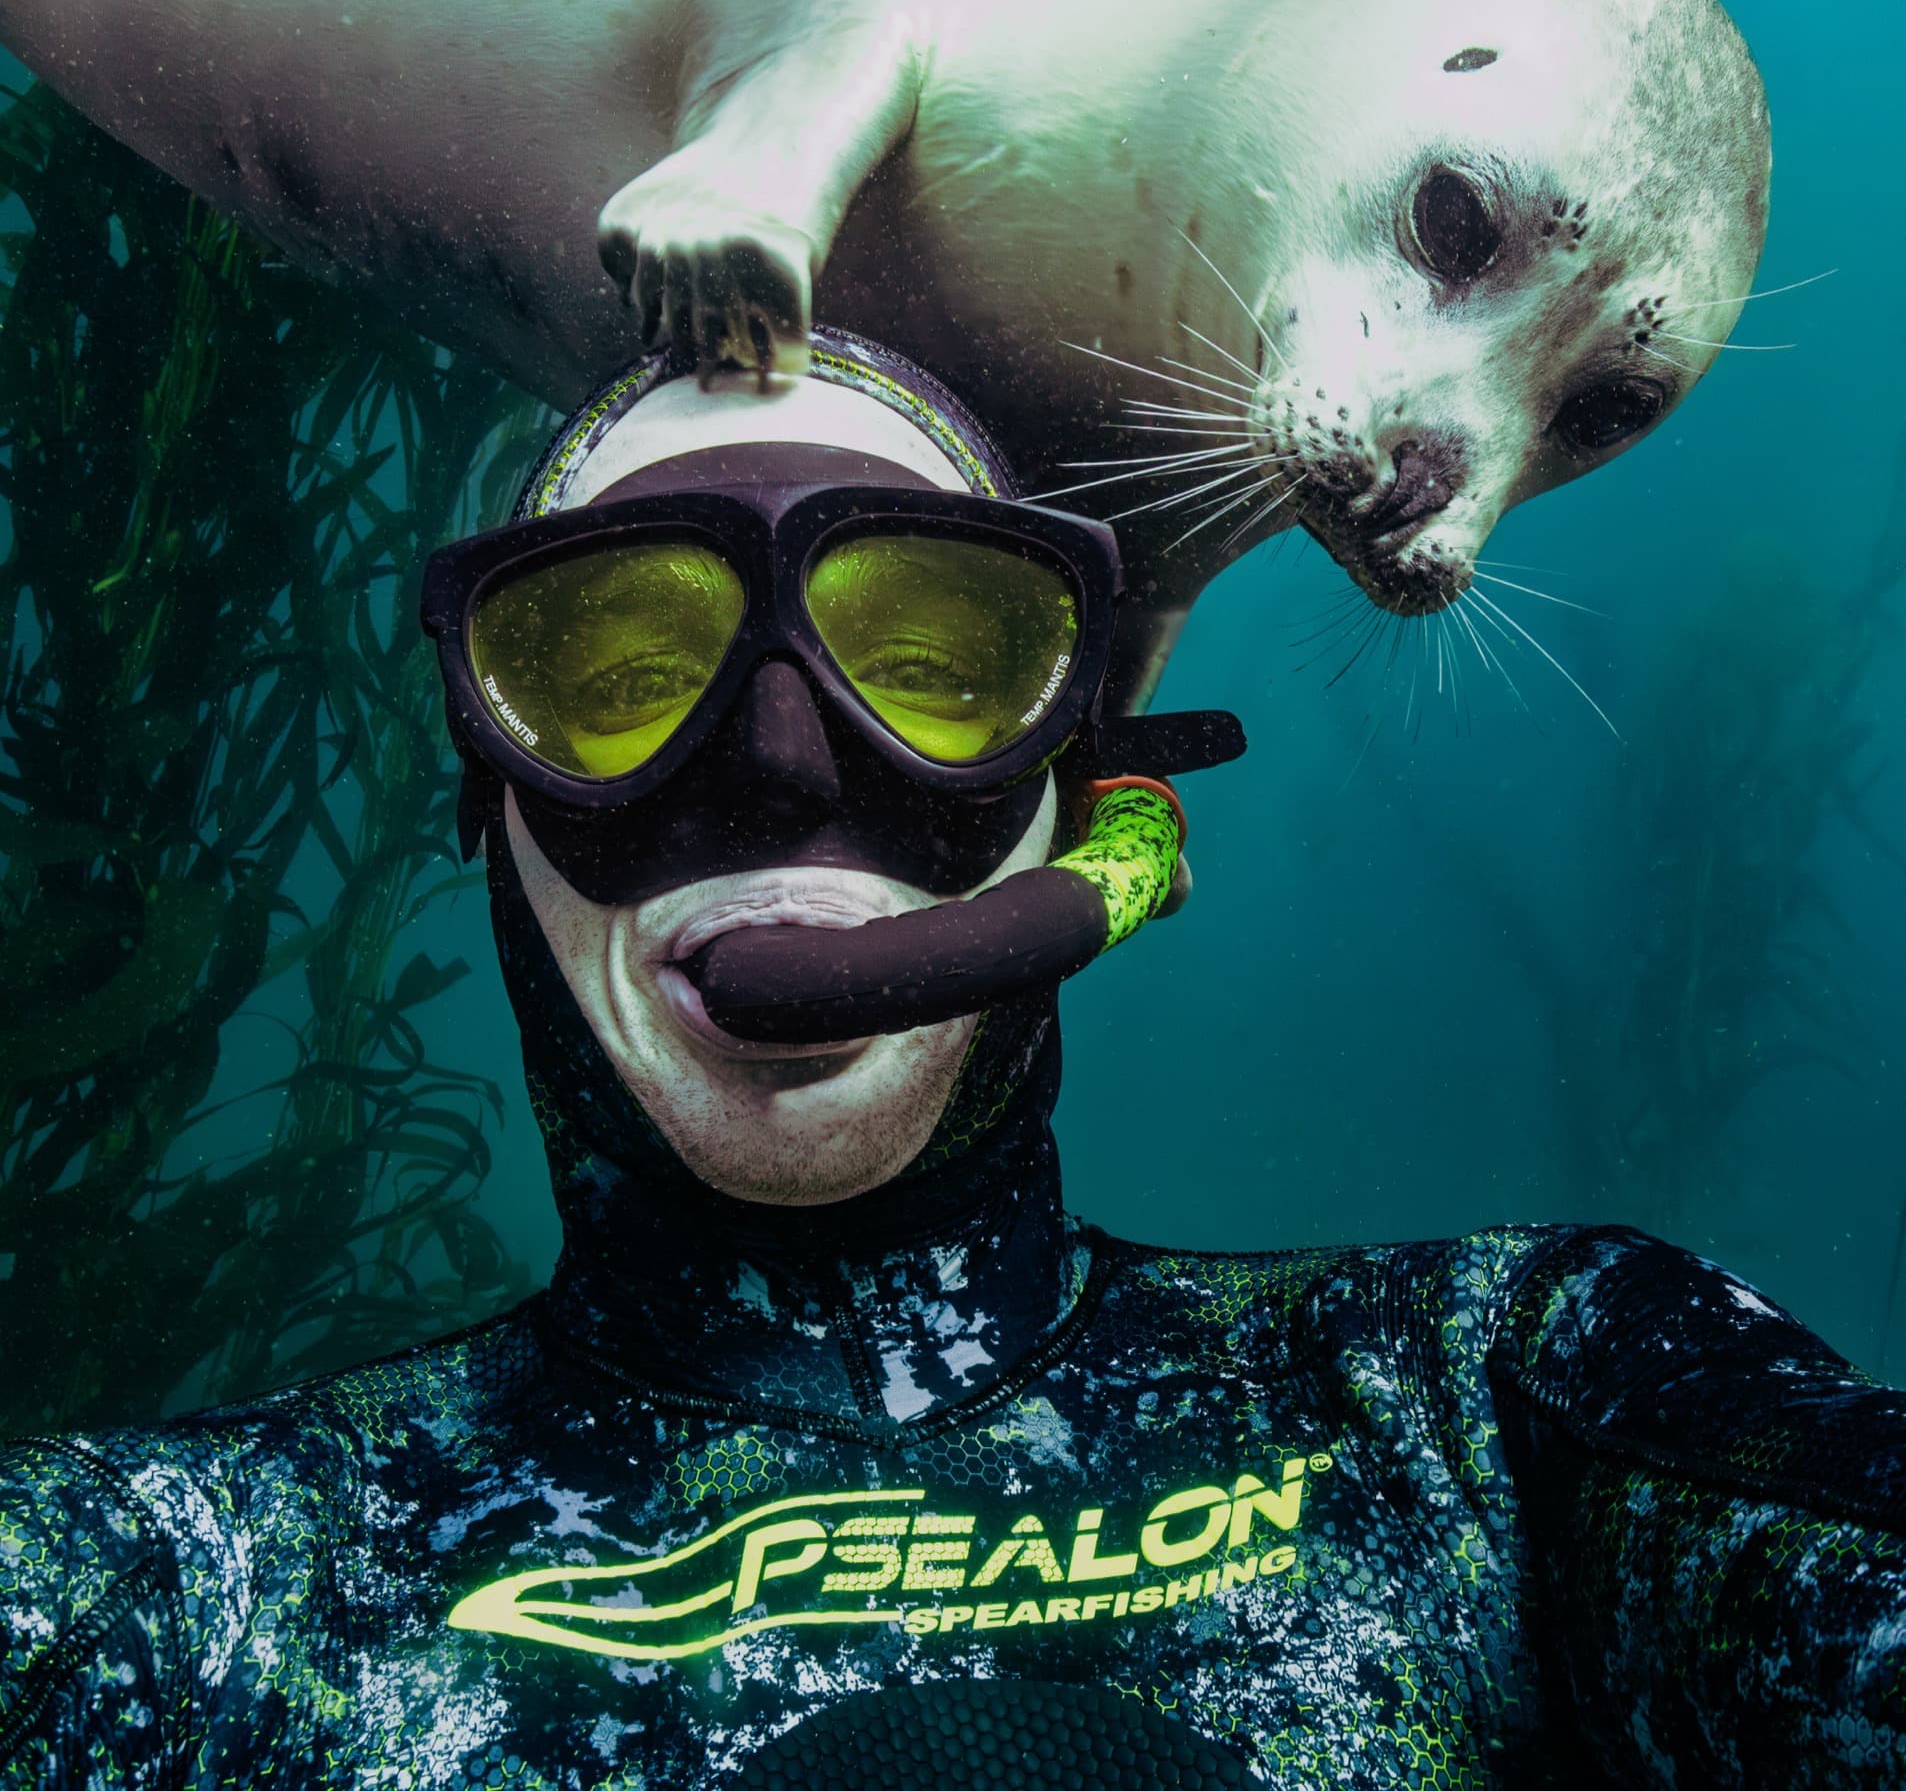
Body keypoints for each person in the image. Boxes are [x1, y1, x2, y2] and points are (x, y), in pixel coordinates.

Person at [0, 329, 1900, 1789]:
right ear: (484, 808)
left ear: (1090, 796)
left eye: (934, 650)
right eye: (604, 662)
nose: (783, 758)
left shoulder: (1499, 1393)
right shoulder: (219, 1578)